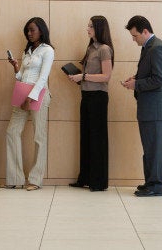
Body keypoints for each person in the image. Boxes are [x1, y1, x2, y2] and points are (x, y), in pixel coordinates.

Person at [121, 15, 162, 197]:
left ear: (145, 31)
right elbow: (151, 74)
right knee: (150, 148)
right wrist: (136, 79)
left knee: (155, 149)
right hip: (149, 108)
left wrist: (136, 85)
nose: (134, 40)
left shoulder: (157, 48)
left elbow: (160, 79)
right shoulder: (149, 47)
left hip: (156, 108)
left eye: (135, 36)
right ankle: (150, 182)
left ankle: (156, 186)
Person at [2, 17, 54, 191]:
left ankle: (35, 179)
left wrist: (31, 97)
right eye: (27, 31)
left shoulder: (47, 50)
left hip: (38, 94)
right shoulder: (27, 51)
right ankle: (15, 178)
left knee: (39, 137)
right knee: (12, 132)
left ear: (41, 30)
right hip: (22, 94)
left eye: (32, 30)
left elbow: (43, 77)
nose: (29, 34)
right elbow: (21, 77)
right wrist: (16, 67)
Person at [67, 16, 114, 192]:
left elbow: (106, 76)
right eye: (88, 26)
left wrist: (84, 76)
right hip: (86, 95)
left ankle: (98, 181)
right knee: (86, 138)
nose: (87, 29)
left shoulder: (104, 49)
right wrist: (78, 77)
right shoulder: (90, 49)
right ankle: (84, 178)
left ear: (99, 29)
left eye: (91, 27)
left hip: (98, 98)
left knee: (97, 139)